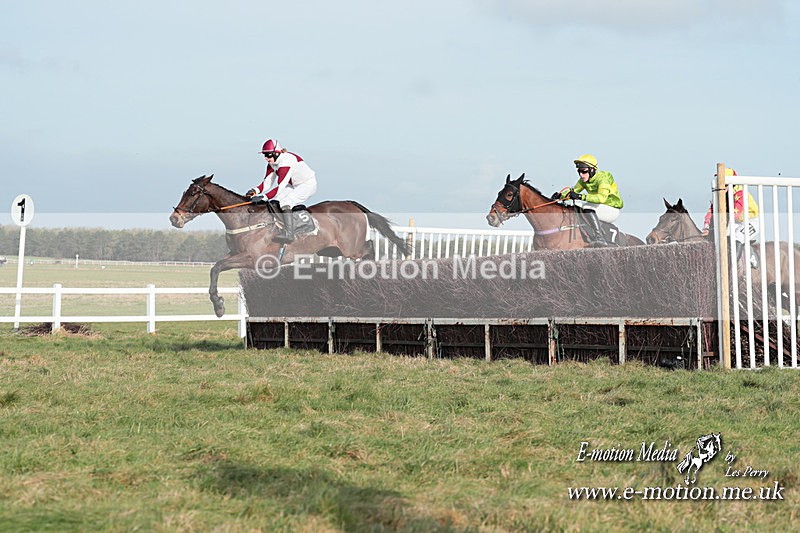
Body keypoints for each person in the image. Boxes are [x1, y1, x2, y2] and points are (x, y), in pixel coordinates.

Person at [246, 139, 318, 244]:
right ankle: (282, 226)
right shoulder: (273, 162)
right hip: (292, 184)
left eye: (268, 155)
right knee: (274, 202)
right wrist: (255, 191)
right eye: (264, 155)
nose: (266, 158)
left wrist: (264, 197)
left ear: (276, 153)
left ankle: (290, 233)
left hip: (307, 184)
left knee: (285, 202)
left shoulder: (286, 162)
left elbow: (280, 187)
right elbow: (267, 182)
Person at [554, 154, 624, 247]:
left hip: (612, 209)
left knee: (586, 206)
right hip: (598, 207)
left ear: (592, 170)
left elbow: (601, 198)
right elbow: (574, 191)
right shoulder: (583, 180)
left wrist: (580, 196)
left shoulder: (603, 179)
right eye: (579, 172)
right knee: (579, 206)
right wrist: (560, 195)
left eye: (584, 171)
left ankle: (600, 238)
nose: (581, 175)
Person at [702, 168, 759, 267]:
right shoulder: (720, 194)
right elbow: (712, 210)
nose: (722, 188)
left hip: (751, 220)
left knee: (738, 236)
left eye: (724, 185)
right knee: (722, 236)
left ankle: (731, 266)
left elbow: (736, 212)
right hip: (736, 221)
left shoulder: (740, 193)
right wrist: (706, 224)